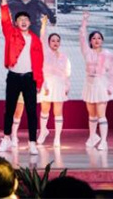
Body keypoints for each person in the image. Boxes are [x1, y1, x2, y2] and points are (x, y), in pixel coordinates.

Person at [0, 0, 44, 155]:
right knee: (9, 109)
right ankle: (6, 139)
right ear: (16, 23)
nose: (23, 22)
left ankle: (32, 142)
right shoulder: (11, 34)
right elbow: (5, 20)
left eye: (26, 20)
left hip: (29, 78)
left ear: (30, 23)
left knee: (31, 111)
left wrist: (39, 81)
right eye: (20, 20)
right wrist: (4, 1)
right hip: (14, 77)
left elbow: (39, 63)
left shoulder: (35, 40)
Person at [79, 11, 113, 151]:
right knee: (92, 114)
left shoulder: (108, 54)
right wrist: (84, 21)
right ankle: (92, 136)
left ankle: (104, 141)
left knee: (101, 114)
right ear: (90, 41)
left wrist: (111, 87)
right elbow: (82, 37)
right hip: (89, 83)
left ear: (102, 40)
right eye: (94, 38)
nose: (96, 40)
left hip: (101, 84)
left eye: (99, 38)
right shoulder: (87, 52)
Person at [37, 15, 71, 148]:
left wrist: (67, 87)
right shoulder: (45, 52)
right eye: (53, 41)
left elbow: (67, 73)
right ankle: (43, 132)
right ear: (49, 42)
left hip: (59, 85)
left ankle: (57, 138)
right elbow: (42, 37)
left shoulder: (64, 56)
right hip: (47, 84)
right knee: (45, 109)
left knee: (58, 111)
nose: (55, 43)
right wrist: (44, 24)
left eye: (57, 41)